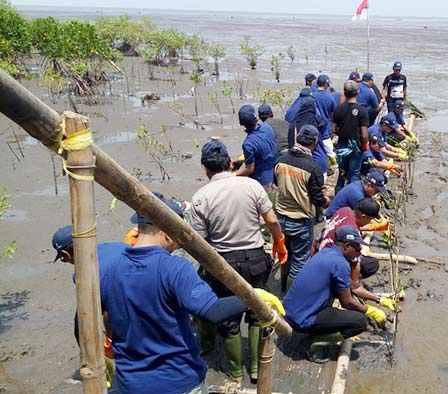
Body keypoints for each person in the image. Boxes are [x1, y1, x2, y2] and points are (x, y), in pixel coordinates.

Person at [99, 193, 285, 393]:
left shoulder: (110, 267)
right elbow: (213, 310)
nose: (180, 241)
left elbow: (94, 316)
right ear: (167, 233)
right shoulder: (174, 269)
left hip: (131, 382)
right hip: (178, 379)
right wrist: (253, 296)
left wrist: (105, 353)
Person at [190, 139, 288, 383]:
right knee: (257, 313)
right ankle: (255, 368)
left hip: (223, 265)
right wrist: (278, 241)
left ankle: (235, 373)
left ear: (204, 168)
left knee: (229, 321)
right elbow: (272, 220)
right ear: (231, 162)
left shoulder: (200, 197)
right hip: (255, 259)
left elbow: (199, 244)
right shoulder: (251, 186)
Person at [283, 225, 387, 341]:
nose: (359, 253)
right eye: (357, 249)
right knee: (360, 322)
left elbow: (354, 287)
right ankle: (317, 343)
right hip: (302, 320)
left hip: (288, 311)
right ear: (347, 246)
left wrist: (379, 299)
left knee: (340, 291)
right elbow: (347, 303)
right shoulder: (341, 264)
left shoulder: (326, 252)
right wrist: (369, 310)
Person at [51, 225, 124, 388]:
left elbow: (106, 312)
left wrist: (111, 341)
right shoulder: (116, 246)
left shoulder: (84, 274)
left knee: (80, 325)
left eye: (63, 258)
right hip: (151, 295)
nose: (65, 262)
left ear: (65, 254)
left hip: (126, 310)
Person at [274, 125, 329, 291]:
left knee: (285, 255)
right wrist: (325, 200)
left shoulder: (280, 161)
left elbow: (276, 183)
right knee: (300, 260)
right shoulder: (313, 168)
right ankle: (292, 296)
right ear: (315, 142)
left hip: (281, 217)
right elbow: (318, 199)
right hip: (301, 219)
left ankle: (283, 287)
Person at [313, 199, 395, 309]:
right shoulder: (352, 232)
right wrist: (355, 286)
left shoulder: (345, 210)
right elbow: (355, 264)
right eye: (370, 219)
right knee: (366, 267)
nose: (370, 222)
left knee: (370, 263)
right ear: (363, 216)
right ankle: (340, 290)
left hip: (319, 253)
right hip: (329, 265)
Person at [332, 80, 369, 193]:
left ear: (344, 92)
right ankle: (352, 200)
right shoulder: (362, 111)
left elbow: (333, 130)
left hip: (342, 145)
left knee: (342, 174)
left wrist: (342, 133)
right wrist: (364, 146)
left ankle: (338, 197)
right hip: (355, 146)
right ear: (357, 93)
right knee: (354, 174)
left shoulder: (338, 109)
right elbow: (364, 134)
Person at [235, 104, 277, 191]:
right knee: (271, 202)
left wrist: (234, 175)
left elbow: (249, 169)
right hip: (273, 173)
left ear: (241, 123)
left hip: (261, 181)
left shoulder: (248, 144)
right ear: (256, 117)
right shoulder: (267, 127)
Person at [313, 75, 338, 173]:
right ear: (326, 84)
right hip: (325, 127)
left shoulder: (312, 95)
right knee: (328, 148)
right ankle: (332, 165)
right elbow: (334, 112)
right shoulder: (329, 97)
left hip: (314, 125)